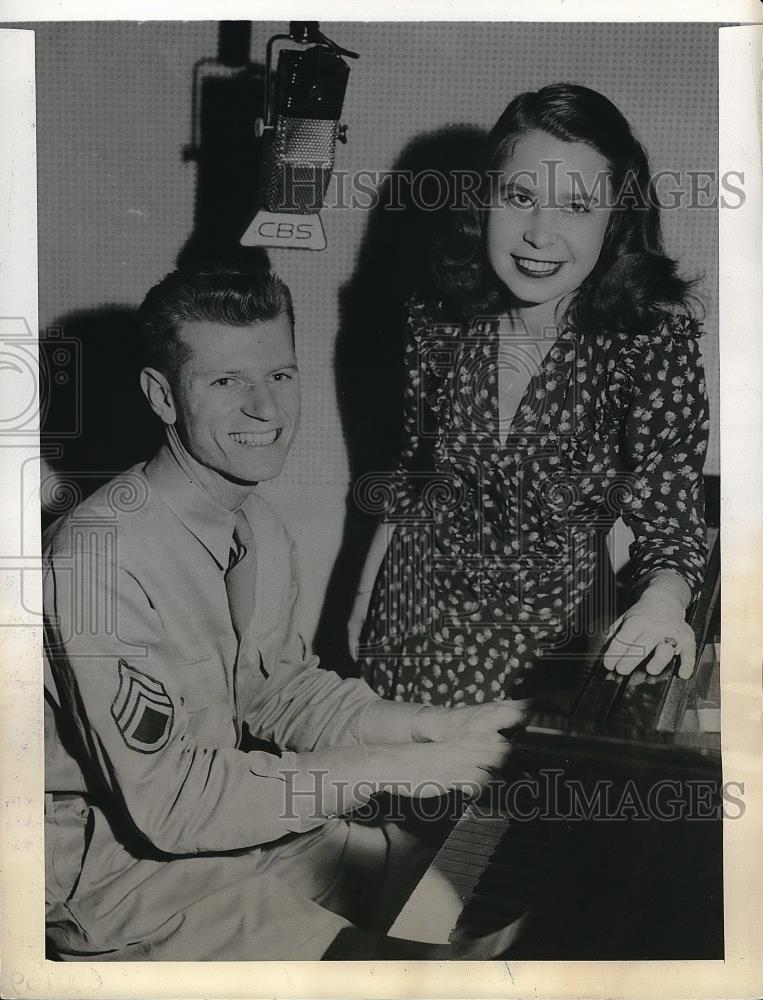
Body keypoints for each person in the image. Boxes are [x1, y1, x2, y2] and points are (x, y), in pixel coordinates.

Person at [42, 268, 528, 961]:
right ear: (162, 396)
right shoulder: (99, 558)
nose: (265, 409)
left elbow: (281, 692)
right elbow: (172, 806)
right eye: (225, 382)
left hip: (237, 834)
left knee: (449, 879)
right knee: (423, 969)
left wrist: (444, 728)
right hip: (118, 880)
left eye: (280, 375)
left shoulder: (258, 526)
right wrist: (385, 767)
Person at [353, 83, 709, 706]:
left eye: (576, 206)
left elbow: (670, 520)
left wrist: (661, 603)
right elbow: (412, 478)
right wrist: (355, 604)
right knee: (385, 798)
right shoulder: (435, 314)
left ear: (615, 220)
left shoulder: (649, 341)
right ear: (485, 200)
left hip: (543, 658)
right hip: (408, 625)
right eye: (520, 197)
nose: (540, 235)